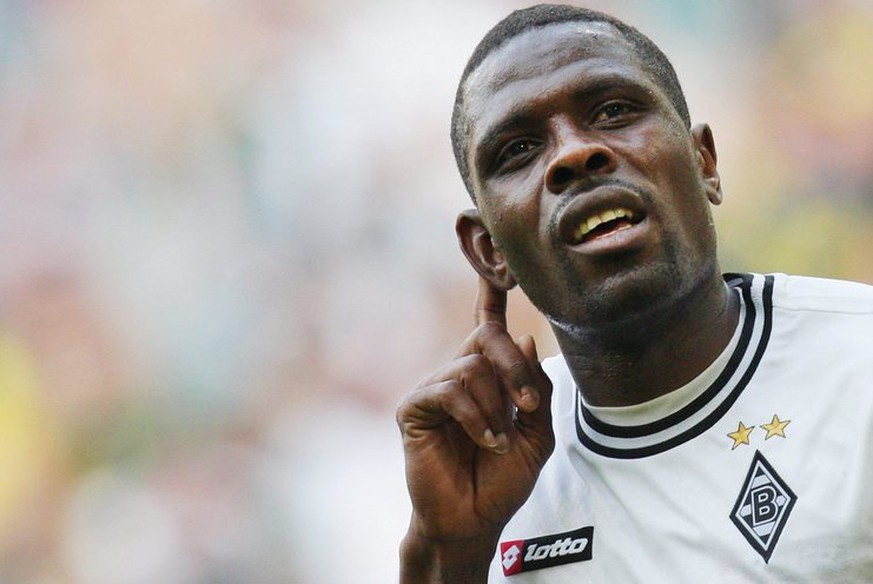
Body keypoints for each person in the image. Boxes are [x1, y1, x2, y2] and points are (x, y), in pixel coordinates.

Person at [395, 4, 873, 583]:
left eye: (614, 111)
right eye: (518, 150)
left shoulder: (858, 368)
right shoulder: (485, 482)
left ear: (705, 164)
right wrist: (449, 552)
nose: (573, 153)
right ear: (489, 250)